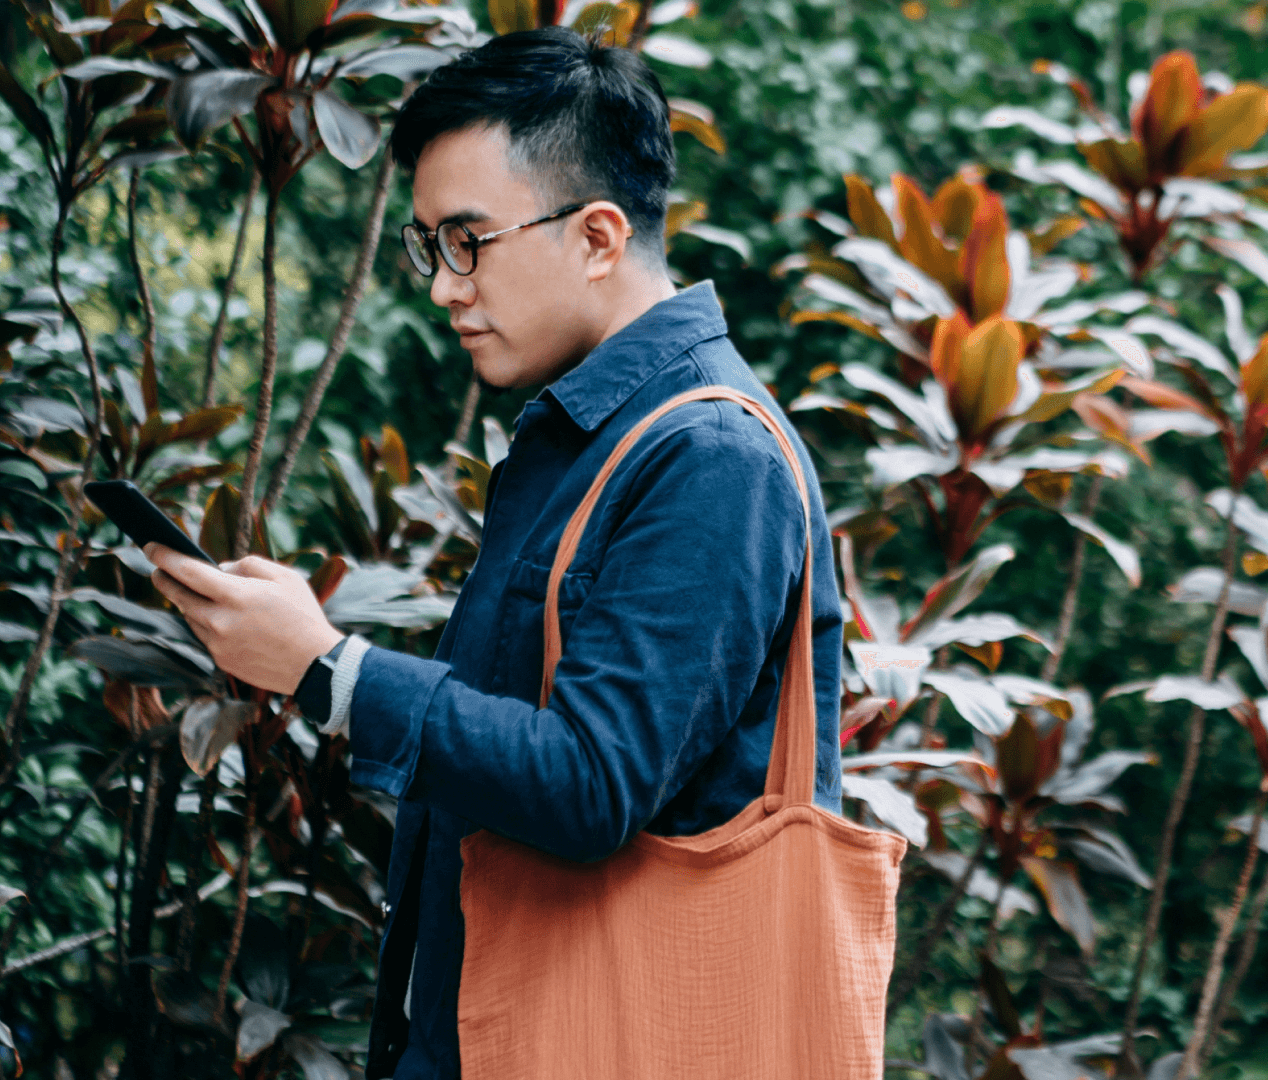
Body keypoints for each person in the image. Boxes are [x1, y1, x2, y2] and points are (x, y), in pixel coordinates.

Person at [146, 26, 844, 1080]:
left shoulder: (711, 455)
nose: (444, 287)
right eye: (430, 246)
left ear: (600, 237)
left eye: (468, 242)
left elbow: (591, 781)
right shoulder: (581, 437)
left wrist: (327, 669)